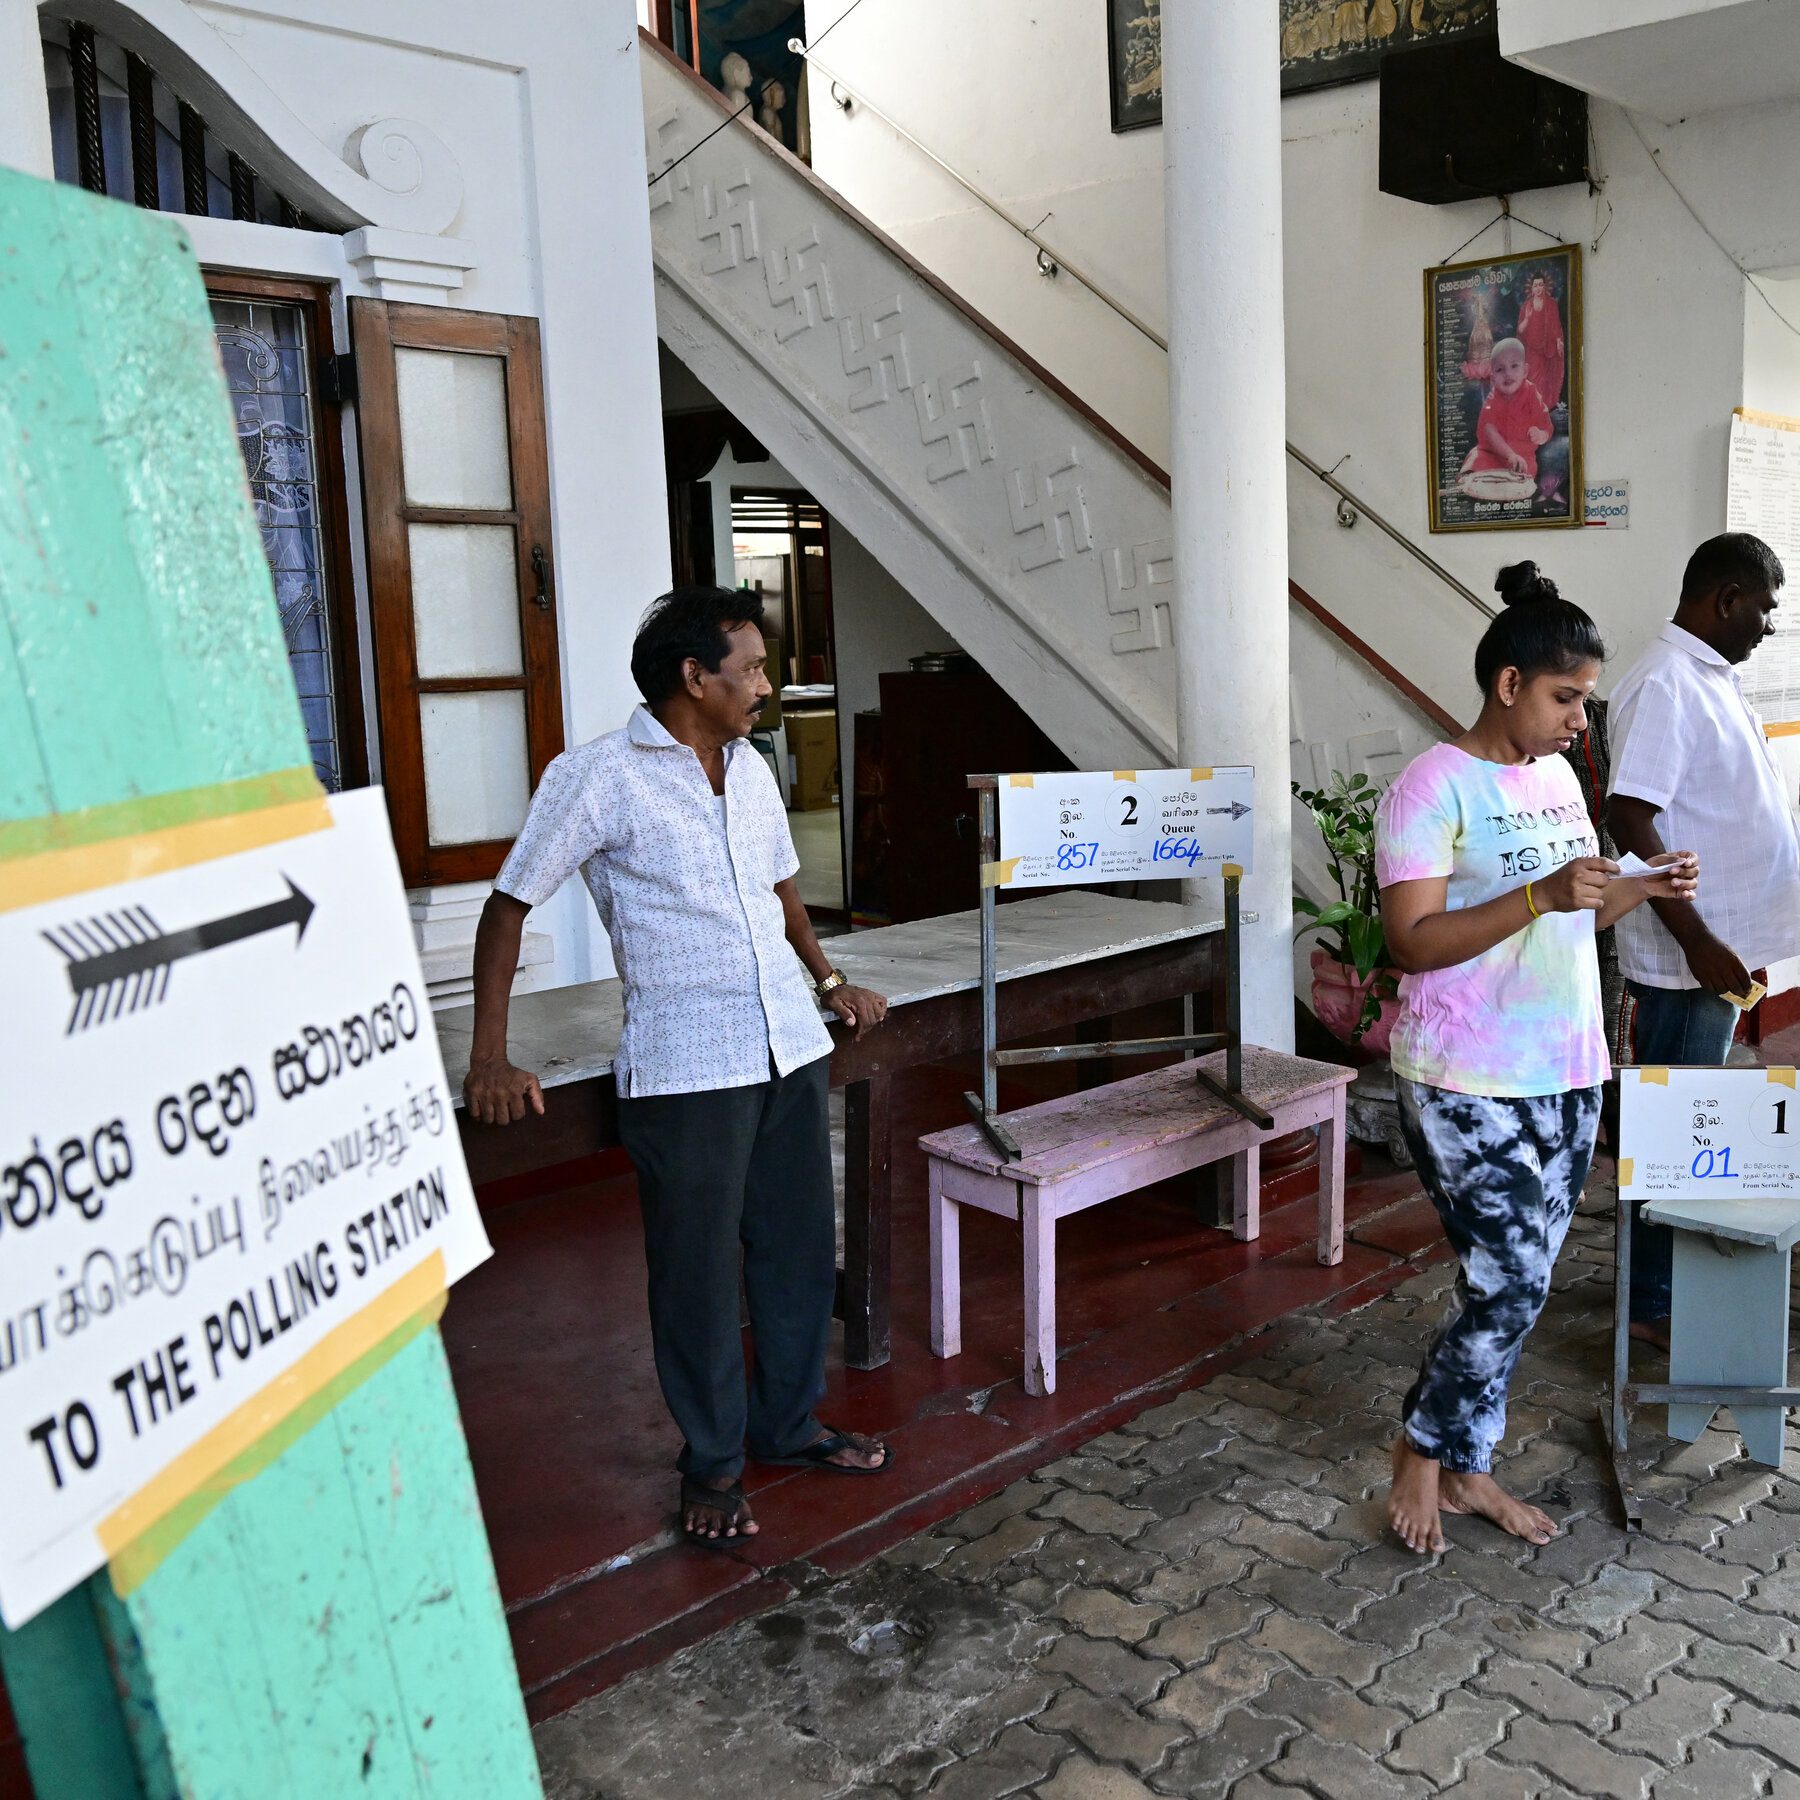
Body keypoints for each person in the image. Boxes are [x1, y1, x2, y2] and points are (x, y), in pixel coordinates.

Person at [463, 586, 894, 1547]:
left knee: (793, 1251)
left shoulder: (748, 768)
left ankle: (786, 1427)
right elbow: (507, 907)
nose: (766, 686)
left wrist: (828, 979)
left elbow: (780, 887)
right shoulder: (596, 777)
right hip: (687, 1065)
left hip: (787, 1040)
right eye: (749, 670)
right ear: (693, 677)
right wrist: (491, 1055)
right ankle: (710, 1467)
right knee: (697, 1277)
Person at [1376, 563, 1698, 1553]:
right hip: (1464, 1076)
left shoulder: (1555, 778)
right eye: (1566, 698)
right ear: (1509, 684)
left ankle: (1469, 1464)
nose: (1579, 723)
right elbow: (1411, 942)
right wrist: (1538, 897)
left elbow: (1576, 902)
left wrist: (1642, 887)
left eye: (1586, 702)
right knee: (1509, 1279)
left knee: (1516, 1278)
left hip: (1564, 1061)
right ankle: (1421, 1452)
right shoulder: (1429, 788)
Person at [1605, 532, 1800, 1339]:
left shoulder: (1707, 676)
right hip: (1692, 955)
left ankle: (1661, 1284)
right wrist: (1696, 941)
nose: (1769, 624)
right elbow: (1628, 813)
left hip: (1719, 944)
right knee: (1674, 1130)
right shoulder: (1664, 684)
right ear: (1725, 599)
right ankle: (1651, 1301)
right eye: (1764, 607)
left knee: (1692, 1124)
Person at [1459, 339, 1553, 483]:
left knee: (1525, 472)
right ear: (1493, 379)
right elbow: (1489, 431)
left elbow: (1545, 423)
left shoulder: (1532, 394)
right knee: (1477, 458)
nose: (1507, 373)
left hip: (1522, 456)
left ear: (1525, 371)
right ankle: (1469, 481)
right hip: (1493, 453)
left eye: (1514, 366)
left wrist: (1542, 435)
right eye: (1500, 369)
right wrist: (1509, 455)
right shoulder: (1492, 399)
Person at [1516, 272, 1566, 412]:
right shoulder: (1526, 306)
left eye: (1540, 285)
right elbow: (1520, 330)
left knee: (1546, 381)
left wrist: (1558, 342)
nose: (1538, 288)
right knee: (1534, 380)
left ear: (1544, 287)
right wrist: (1527, 318)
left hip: (1547, 349)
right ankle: (1534, 408)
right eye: (1535, 285)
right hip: (1531, 349)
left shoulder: (1551, 304)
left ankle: (1545, 409)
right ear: (1531, 288)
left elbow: (1556, 325)